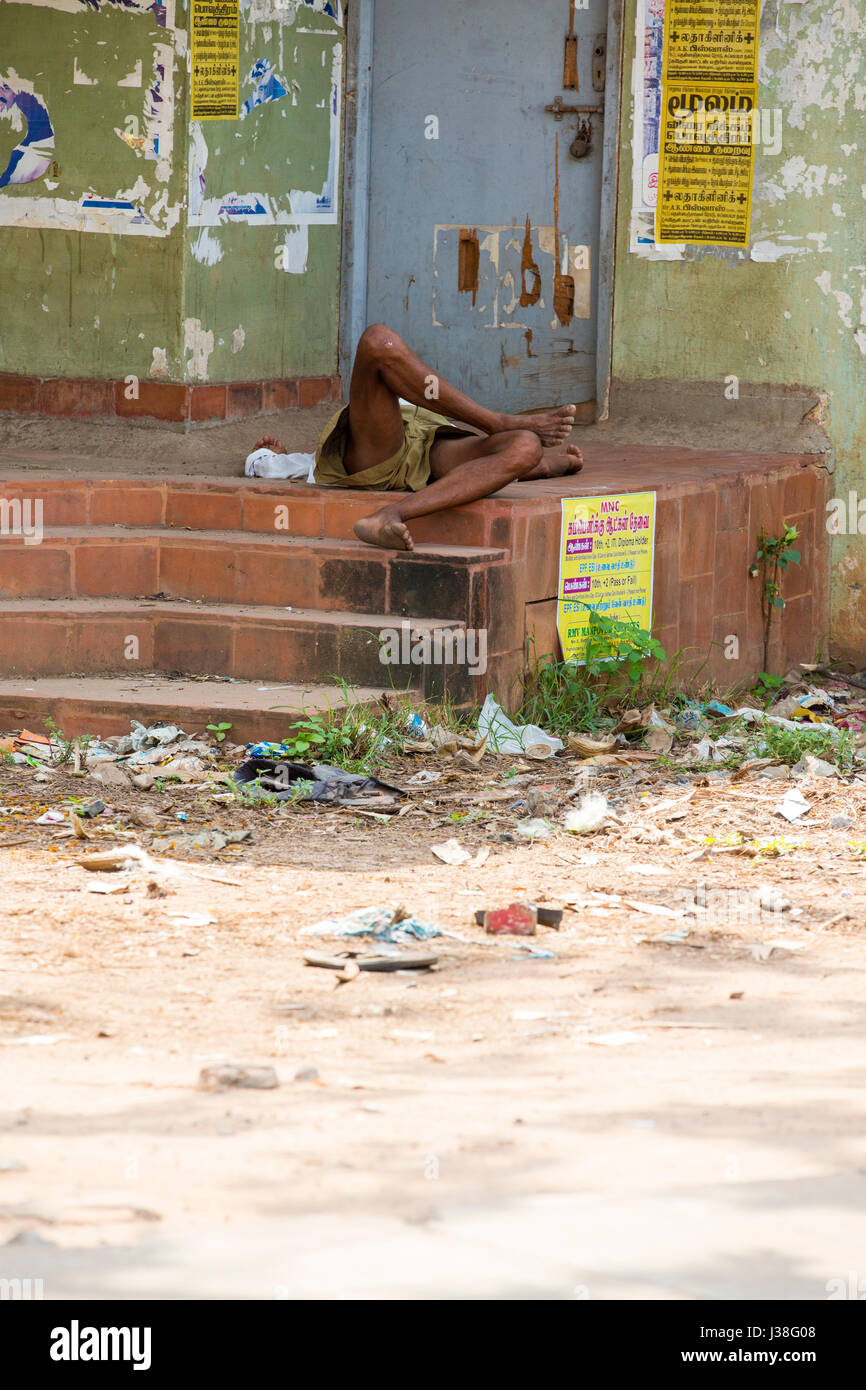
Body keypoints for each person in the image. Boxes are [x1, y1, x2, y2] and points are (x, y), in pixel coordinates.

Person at [254, 322, 583, 551]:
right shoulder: (359, 427)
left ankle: (389, 515)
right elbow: (273, 465)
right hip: (382, 457)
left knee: (526, 445)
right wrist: (268, 457)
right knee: (378, 340)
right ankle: (495, 423)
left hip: (428, 445)